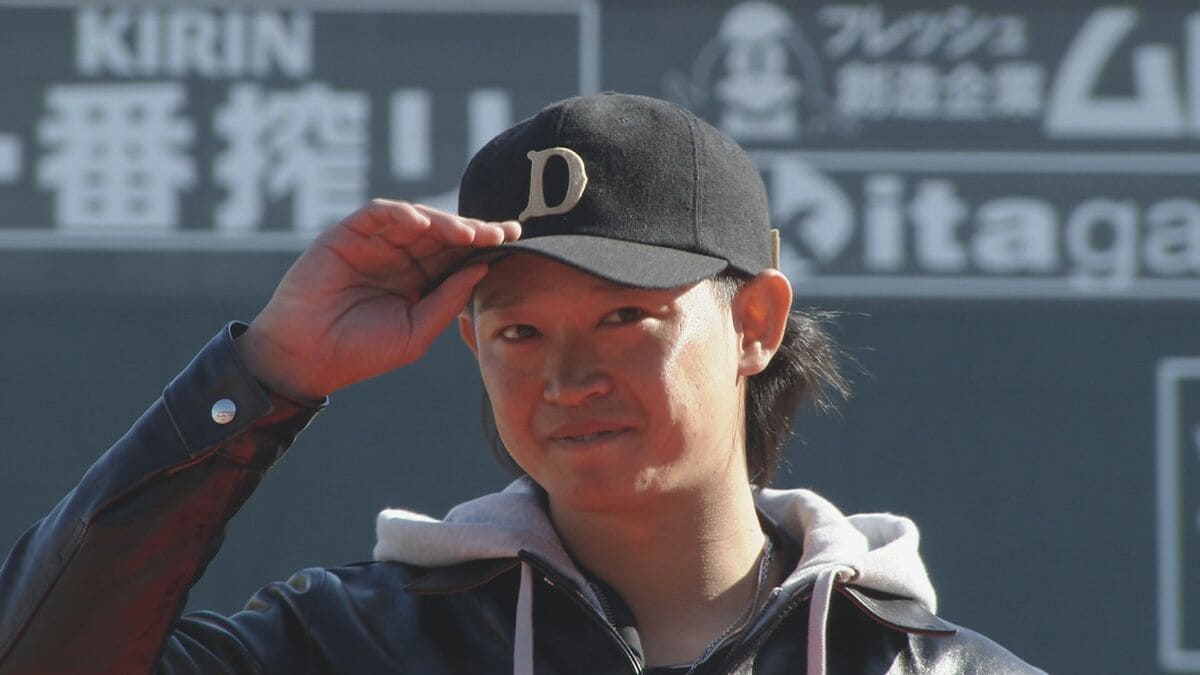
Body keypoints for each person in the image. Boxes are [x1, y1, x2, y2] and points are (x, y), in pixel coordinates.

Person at [0, 93, 1042, 674]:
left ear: (755, 324)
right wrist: (265, 373)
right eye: (519, 331)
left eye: (626, 318)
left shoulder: (939, 672)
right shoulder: (357, 645)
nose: (568, 376)